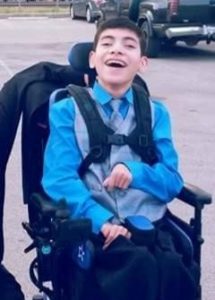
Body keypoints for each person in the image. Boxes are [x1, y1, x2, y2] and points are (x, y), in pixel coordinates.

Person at [42, 17, 198, 300]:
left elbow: (172, 181)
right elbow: (58, 178)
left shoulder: (156, 114)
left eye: (129, 46)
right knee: (135, 270)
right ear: (93, 58)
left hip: (150, 224)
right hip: (96, 226)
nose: (116, 50)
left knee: (174, 270)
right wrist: (100, 221)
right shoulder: (67, 110)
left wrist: (136, 172)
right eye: (107, 44)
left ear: (142, 63)